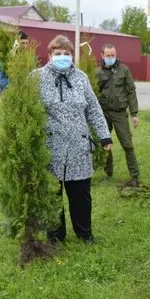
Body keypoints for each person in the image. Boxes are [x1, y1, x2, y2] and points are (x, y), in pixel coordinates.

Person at [34, 35, 113, 244]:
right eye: (57, 53)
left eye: (66, 53)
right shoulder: (36, 77)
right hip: (50, 146)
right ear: (49, 55)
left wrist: (104, 135)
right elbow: (26, 111)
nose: (62, 57)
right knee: (53, 194)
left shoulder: (81, 77)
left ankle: (84, 233)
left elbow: (94, 109)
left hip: (79, 145)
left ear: (72, 56)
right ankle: (55, 235)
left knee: (81, 195)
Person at [95, 43, 141, 187]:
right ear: (102, 56)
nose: (111, 58)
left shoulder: (124, 70)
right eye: (108, 55)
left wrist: (134, 113)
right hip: (103, 113)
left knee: (127, 145)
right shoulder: (97, 72)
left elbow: (131, 91)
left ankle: (135, 177)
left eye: (113, 55)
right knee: (105, 144)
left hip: (120, 113)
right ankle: (108, 173)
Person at [0, 30, 29, 95]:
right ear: (15, 44)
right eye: (22, 43)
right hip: (9, 94)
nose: (25, 46)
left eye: (26, 43)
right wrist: (15, 90)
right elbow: (3, 80)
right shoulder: (4, 58)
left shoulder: (24, 57)